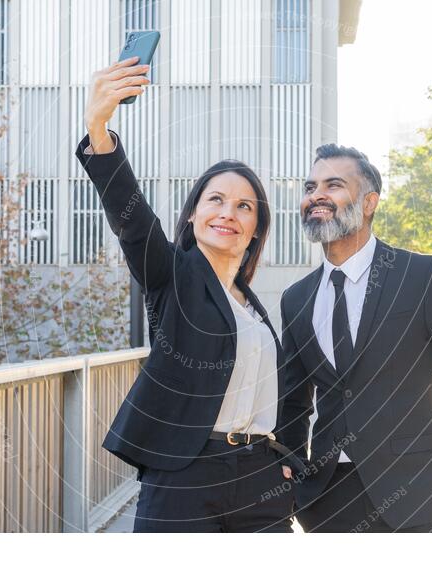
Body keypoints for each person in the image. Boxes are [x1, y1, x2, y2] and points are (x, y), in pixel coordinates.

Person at [75, 57, 299, 532]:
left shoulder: (251, 306)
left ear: (256, 229)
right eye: (215, 199)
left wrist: (285, 462)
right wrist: (99, 127)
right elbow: (132, 222)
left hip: (262, 477)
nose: (228, 212)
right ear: (194, 213)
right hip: (187, 475)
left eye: (244, 206)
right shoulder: (173, 274)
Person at [278, 143, 432, 532]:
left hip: (418, 498)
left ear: (369, 202)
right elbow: (293, 400)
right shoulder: (296, 298)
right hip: (325, 503)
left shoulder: (423, 277)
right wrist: (288, 469)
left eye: (333, 185)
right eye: (310, 187)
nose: (316, 195)